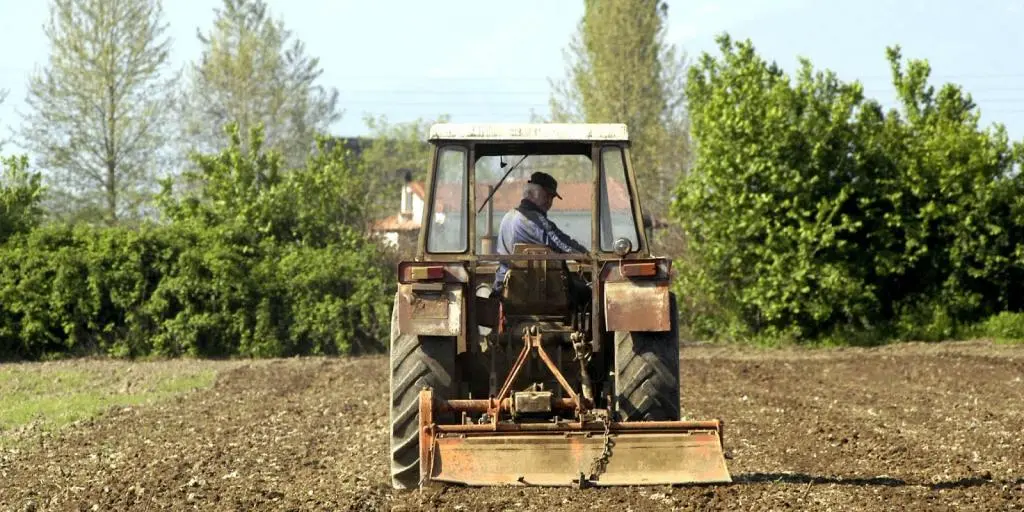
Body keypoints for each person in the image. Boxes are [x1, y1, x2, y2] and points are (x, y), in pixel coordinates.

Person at [492, 171, 590, 296]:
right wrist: (587, 257)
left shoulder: (508, 216)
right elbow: (562, 244)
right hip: (531, 289)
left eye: (552, 198)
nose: (549, 201)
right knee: (587, 293)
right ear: (532, 193)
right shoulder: (534, 220)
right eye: (546, 196)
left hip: (505, 286)